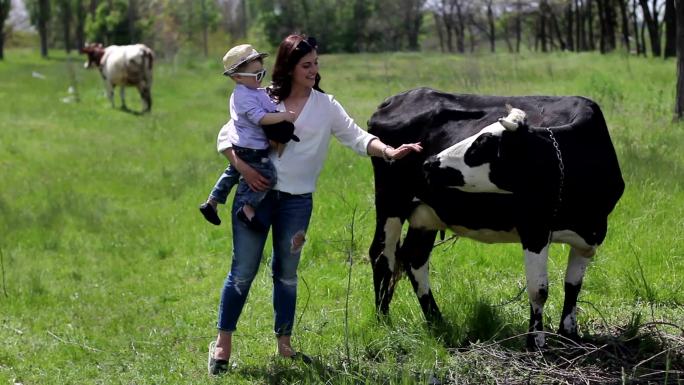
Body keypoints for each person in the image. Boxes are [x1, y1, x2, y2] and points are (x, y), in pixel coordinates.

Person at [207, 34, 423, 376]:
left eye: (316, 64)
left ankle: (285, 344)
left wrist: (389, 152)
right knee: (243, 271)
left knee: (287, 275)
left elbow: (356, 136)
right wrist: (244, 169)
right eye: (306, 65)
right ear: (290, 67)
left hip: (297, 202)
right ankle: (222, 343)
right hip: (256, 195)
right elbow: (226, 135)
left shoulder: (326, 106)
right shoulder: (264, 98)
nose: (313, 70)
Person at [199, 43, 298, 229]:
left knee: (232, 172)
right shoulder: (242, 97)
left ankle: (212, 202)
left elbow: (264, 100)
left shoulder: (251, 91)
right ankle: (247, 208)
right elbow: (260, 118)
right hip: (252, 148)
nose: (261, 78)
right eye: (257, 75)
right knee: (268, 176)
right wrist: (283, 116)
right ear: (237, 77)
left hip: (241, 144)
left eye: (263, 73)